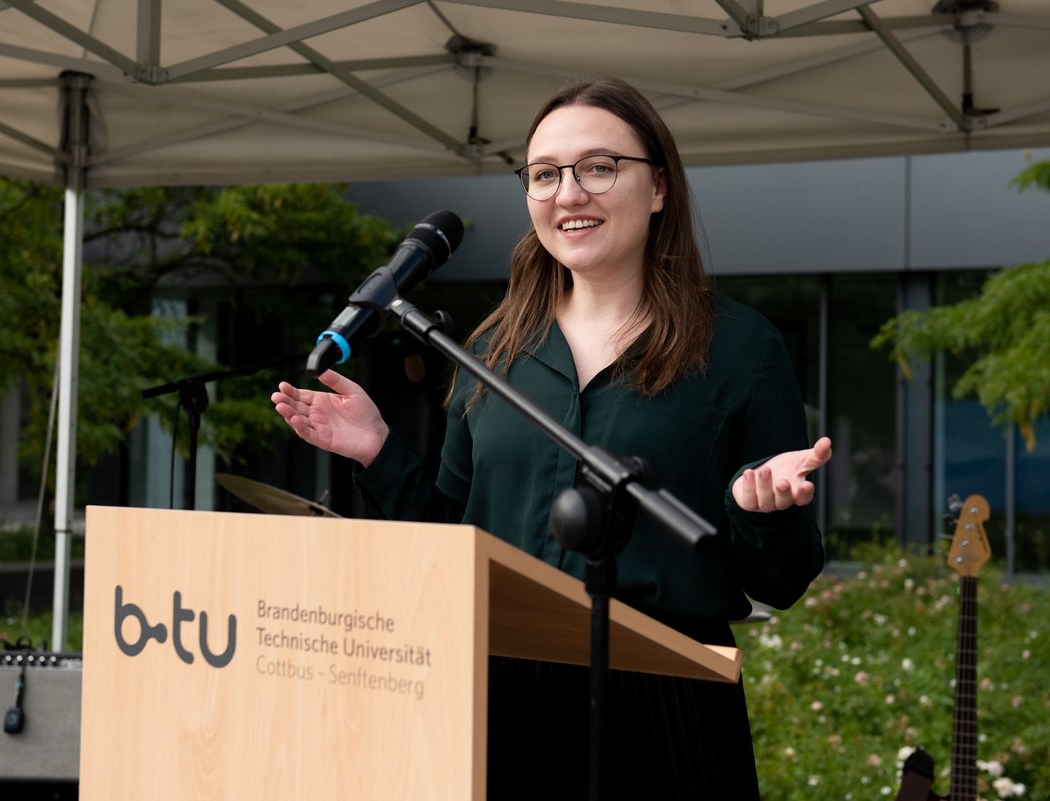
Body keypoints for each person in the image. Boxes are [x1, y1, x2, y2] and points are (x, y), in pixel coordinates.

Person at [272, 76, 832, 800]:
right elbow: (454, 544)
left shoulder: (740, 349)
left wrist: (766, 513)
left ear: (659, 187)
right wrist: (380, 450)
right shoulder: (492, 351)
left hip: (666, 702)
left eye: (599, 167)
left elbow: (782, 580)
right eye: (544, 175)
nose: (569, 194)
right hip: (502, 699)